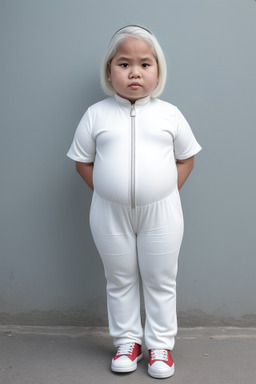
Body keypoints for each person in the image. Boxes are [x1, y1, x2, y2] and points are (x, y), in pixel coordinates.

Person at [67, 25, 202, 379]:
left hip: (162, 212)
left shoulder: (169, 114)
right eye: (124, 64)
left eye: (145, 64)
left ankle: (160, 346)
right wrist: (105, 191)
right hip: (108, 212)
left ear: (158, 71)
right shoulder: (96, 114)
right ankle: (128, 341)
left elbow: (186, 158)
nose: (135, 72)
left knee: (161, 278)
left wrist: (166, 190)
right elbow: (82, 160)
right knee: (120, 278)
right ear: (109, 71)